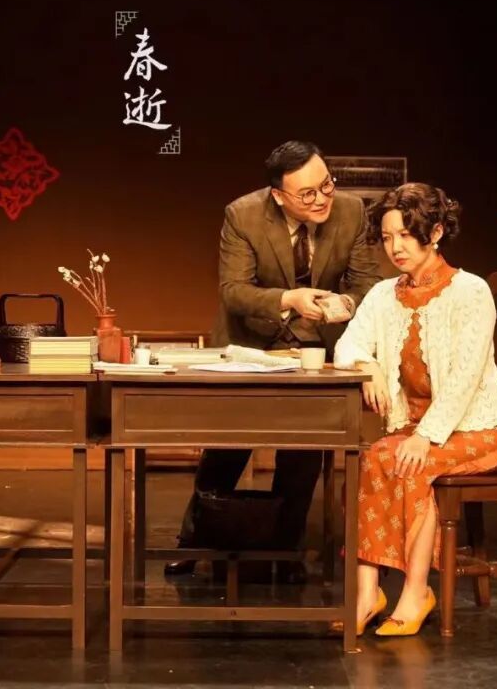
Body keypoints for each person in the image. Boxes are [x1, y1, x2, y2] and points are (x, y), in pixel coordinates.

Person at [164, 140, 382, 580]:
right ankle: (195, 539)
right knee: (226, 450)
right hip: (252, 343)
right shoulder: (243, 214)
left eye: (326, 185)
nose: (321, 199)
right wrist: (289, 299)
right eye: (307, 194)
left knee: (303, 452)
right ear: (279, 195)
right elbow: (234, 291)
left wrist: (344, 304)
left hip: (315, 347)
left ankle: (286, 549)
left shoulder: (352, 211)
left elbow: (367, 284)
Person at [333, 182, 497, 636]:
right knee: (371, 458)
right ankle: (367, 594)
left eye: (405, 235)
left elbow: (465, 378)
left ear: (434, 233)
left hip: (481, 429)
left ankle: (416, 593)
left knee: (411, 463)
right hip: (416, 429)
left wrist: (425, 436)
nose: (395, 247)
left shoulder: (470, 292)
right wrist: (368, 366)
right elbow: (347, 346)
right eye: (387, 237)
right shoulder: (383, 295)